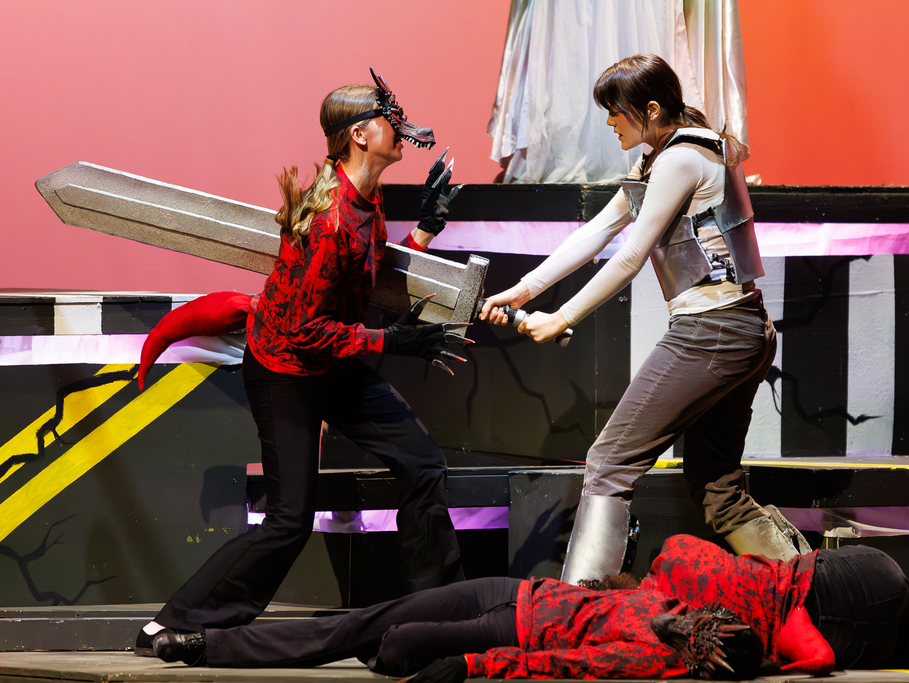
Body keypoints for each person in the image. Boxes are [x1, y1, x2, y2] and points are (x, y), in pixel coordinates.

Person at [134, 69, 468, 655]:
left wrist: (426, 231)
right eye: (390, 120)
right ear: (361, 135)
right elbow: (302, 329)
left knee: (422, 463)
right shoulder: (329, 218)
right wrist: (392, 343)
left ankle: (439, 613)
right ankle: (178, 620)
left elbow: (371, 272)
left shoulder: (366, 199)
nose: (401, 127)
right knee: (291, 519)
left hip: (327, 359)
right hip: (285, 367)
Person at [481, 53, 808, 585]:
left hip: (714, 331)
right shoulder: (663, 156)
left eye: (616, 112)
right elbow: (596, 233)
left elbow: (631, 256)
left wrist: (561, 315)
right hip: (740, 329)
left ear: (650, 109)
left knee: (608, 464)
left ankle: (577, 613)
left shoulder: (680, 159)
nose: (609, 122)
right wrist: (522, 291)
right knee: (718, 491)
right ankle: (816, 588)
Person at [152, 574, 764, 681]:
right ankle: (202, 646)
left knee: (394, 646)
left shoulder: (653, 658)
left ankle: (381, 652)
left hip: (510, 634)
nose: (691, 618)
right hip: (507, 590)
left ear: (703, 653)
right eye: (707, 617)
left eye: (705, 630)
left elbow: (558, 664)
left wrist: (475, 666)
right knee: (364, 626)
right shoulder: (673, 599)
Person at [643, 535, 909, 674]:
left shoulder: (665, 633)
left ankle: (907, 645)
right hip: (853, 580)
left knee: (906, 625)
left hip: (846, 645)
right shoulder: (677, 549)